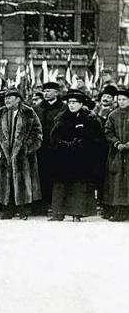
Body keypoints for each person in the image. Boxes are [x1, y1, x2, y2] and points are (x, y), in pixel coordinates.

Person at [0, 89, 43, 220]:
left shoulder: (29, 112)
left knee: (23, 182)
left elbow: (37, 133)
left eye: (10, 97)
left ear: (18, 99)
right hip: (3, 155)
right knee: (5, 181)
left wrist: (26, 148)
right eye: (5, 98)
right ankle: (7, 208)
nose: (7, 100)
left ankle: (23, 209)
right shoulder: (0, 113)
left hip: (23, 157)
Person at [49, 90, 101, 222]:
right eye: (69, 103)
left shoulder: (89, 118)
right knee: (61, 185)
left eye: (74, 103)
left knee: (78, 185)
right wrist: (61, 144)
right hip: (63, 157)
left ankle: (77, 212)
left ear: (81, 104)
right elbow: (54, 136)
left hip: (81, 158)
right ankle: (58, 212)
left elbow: (95, 138)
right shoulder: (61, 117)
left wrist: (80, 144)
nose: (71, 105)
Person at [35, 81, 66, 215]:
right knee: (42, 176)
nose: (46, 93)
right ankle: (42, 205)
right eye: (45, 91)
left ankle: (55, 205)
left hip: (57, 148)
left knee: (56, 177)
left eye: (49, 91)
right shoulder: (38, 108)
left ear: (57, 93)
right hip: (41, 148)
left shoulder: (63, 108)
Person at [103, 89, 129, 221]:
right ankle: (119, 210)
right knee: (117, 182)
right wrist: (116, 143)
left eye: (124, 99)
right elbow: (108, 131)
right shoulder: (113, 115)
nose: (121, 102)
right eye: (119, 100)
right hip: (117, 154)